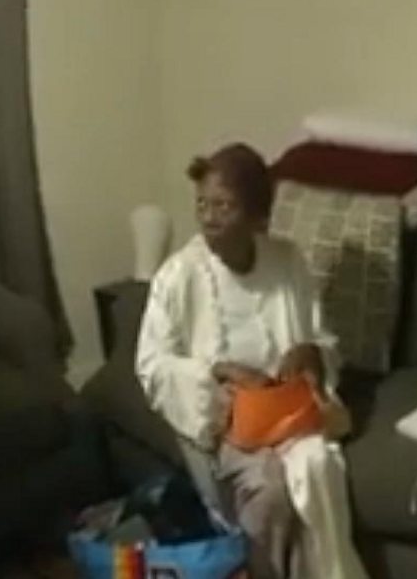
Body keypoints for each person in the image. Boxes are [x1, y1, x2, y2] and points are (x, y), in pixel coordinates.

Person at [136, 143, 369, 579]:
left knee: (316, 466)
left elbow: (322, 339)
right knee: (273, 492)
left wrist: (311, 353)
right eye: (202, 204)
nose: (208, 217)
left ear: (257, 216)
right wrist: (216, 372)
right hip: (227, 425)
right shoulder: (179, 275)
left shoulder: (288, 261)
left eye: (223, 206)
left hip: (287, 413)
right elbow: (151, 365)